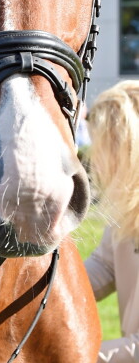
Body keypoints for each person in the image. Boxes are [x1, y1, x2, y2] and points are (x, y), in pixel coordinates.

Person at [84, 80, 139, 363]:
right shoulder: (128, 213)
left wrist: (72, 357)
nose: (95, 163)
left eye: (101, 148)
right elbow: (105, 266)